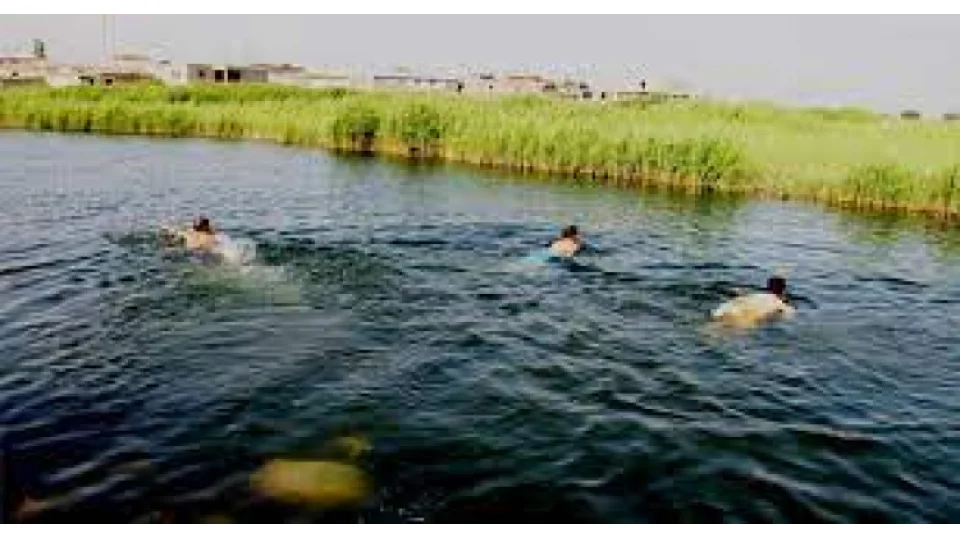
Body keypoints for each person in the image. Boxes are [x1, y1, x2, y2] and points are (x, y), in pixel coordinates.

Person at [710, 275, 795, 327]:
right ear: (783, 289)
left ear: (768, 286)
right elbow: (788, 315)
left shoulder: (755, 294)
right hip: (746, 318)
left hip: (730, 308)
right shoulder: (781, 304)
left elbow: (738, 294)